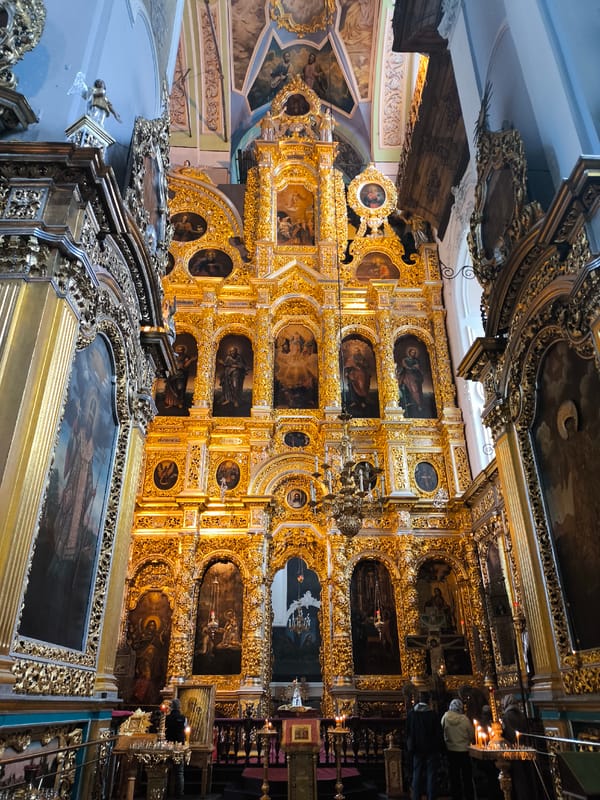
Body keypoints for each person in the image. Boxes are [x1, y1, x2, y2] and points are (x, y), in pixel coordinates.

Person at [406, 692, 444, 800]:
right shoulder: (432, 715)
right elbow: (438, 733)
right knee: (431, 774)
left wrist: (410, 746)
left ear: (418, 700)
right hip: (431, 749)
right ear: (428, 701)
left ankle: (416, 796)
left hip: (416, 748)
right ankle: (431, 796)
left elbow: (408, 731)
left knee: (416, 773)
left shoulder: (411, 714)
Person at [441, 698, 475, 800]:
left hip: (451, 750)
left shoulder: (445, 717)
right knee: (467, 777)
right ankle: (469, 796)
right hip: (464, 750)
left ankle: (456, 796)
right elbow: (472, 734)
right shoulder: (464, 719)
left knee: (454, 776)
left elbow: (441, 730)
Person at [165, 698, 187, 798]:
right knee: (179, 772)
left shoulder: (167, 718)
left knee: (166, 770)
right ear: (179, 707)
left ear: (171, 707)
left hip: (168, 745)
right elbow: (186, 729)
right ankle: (180, 794)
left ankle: (165, 792)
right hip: (179, 746)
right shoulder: (183, 718)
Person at [396, 345, 425, 416]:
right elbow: (405, 367)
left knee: (417, 390)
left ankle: (419, 405)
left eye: (414, 353)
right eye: (412, 352)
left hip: (415, 377)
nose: (413, 354)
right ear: (409, 353)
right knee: (412, 389)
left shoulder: (416, 360)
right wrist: (413, 367)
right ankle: (412, 404)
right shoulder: (405, 360)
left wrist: (417, 369)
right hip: (408, 376)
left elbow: (418, 368)